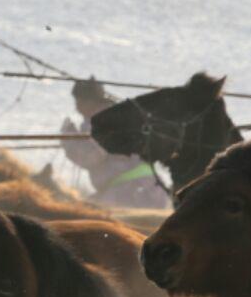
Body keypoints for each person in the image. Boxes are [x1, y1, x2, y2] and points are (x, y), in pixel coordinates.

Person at [60, 79, 171, 208]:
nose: (77, 107)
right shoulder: (120, 114)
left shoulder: (98, 122)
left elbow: (89, 157)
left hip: (129, 194)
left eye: (78, 101)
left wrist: (68, 138)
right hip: (153, 189)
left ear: (90, 102)